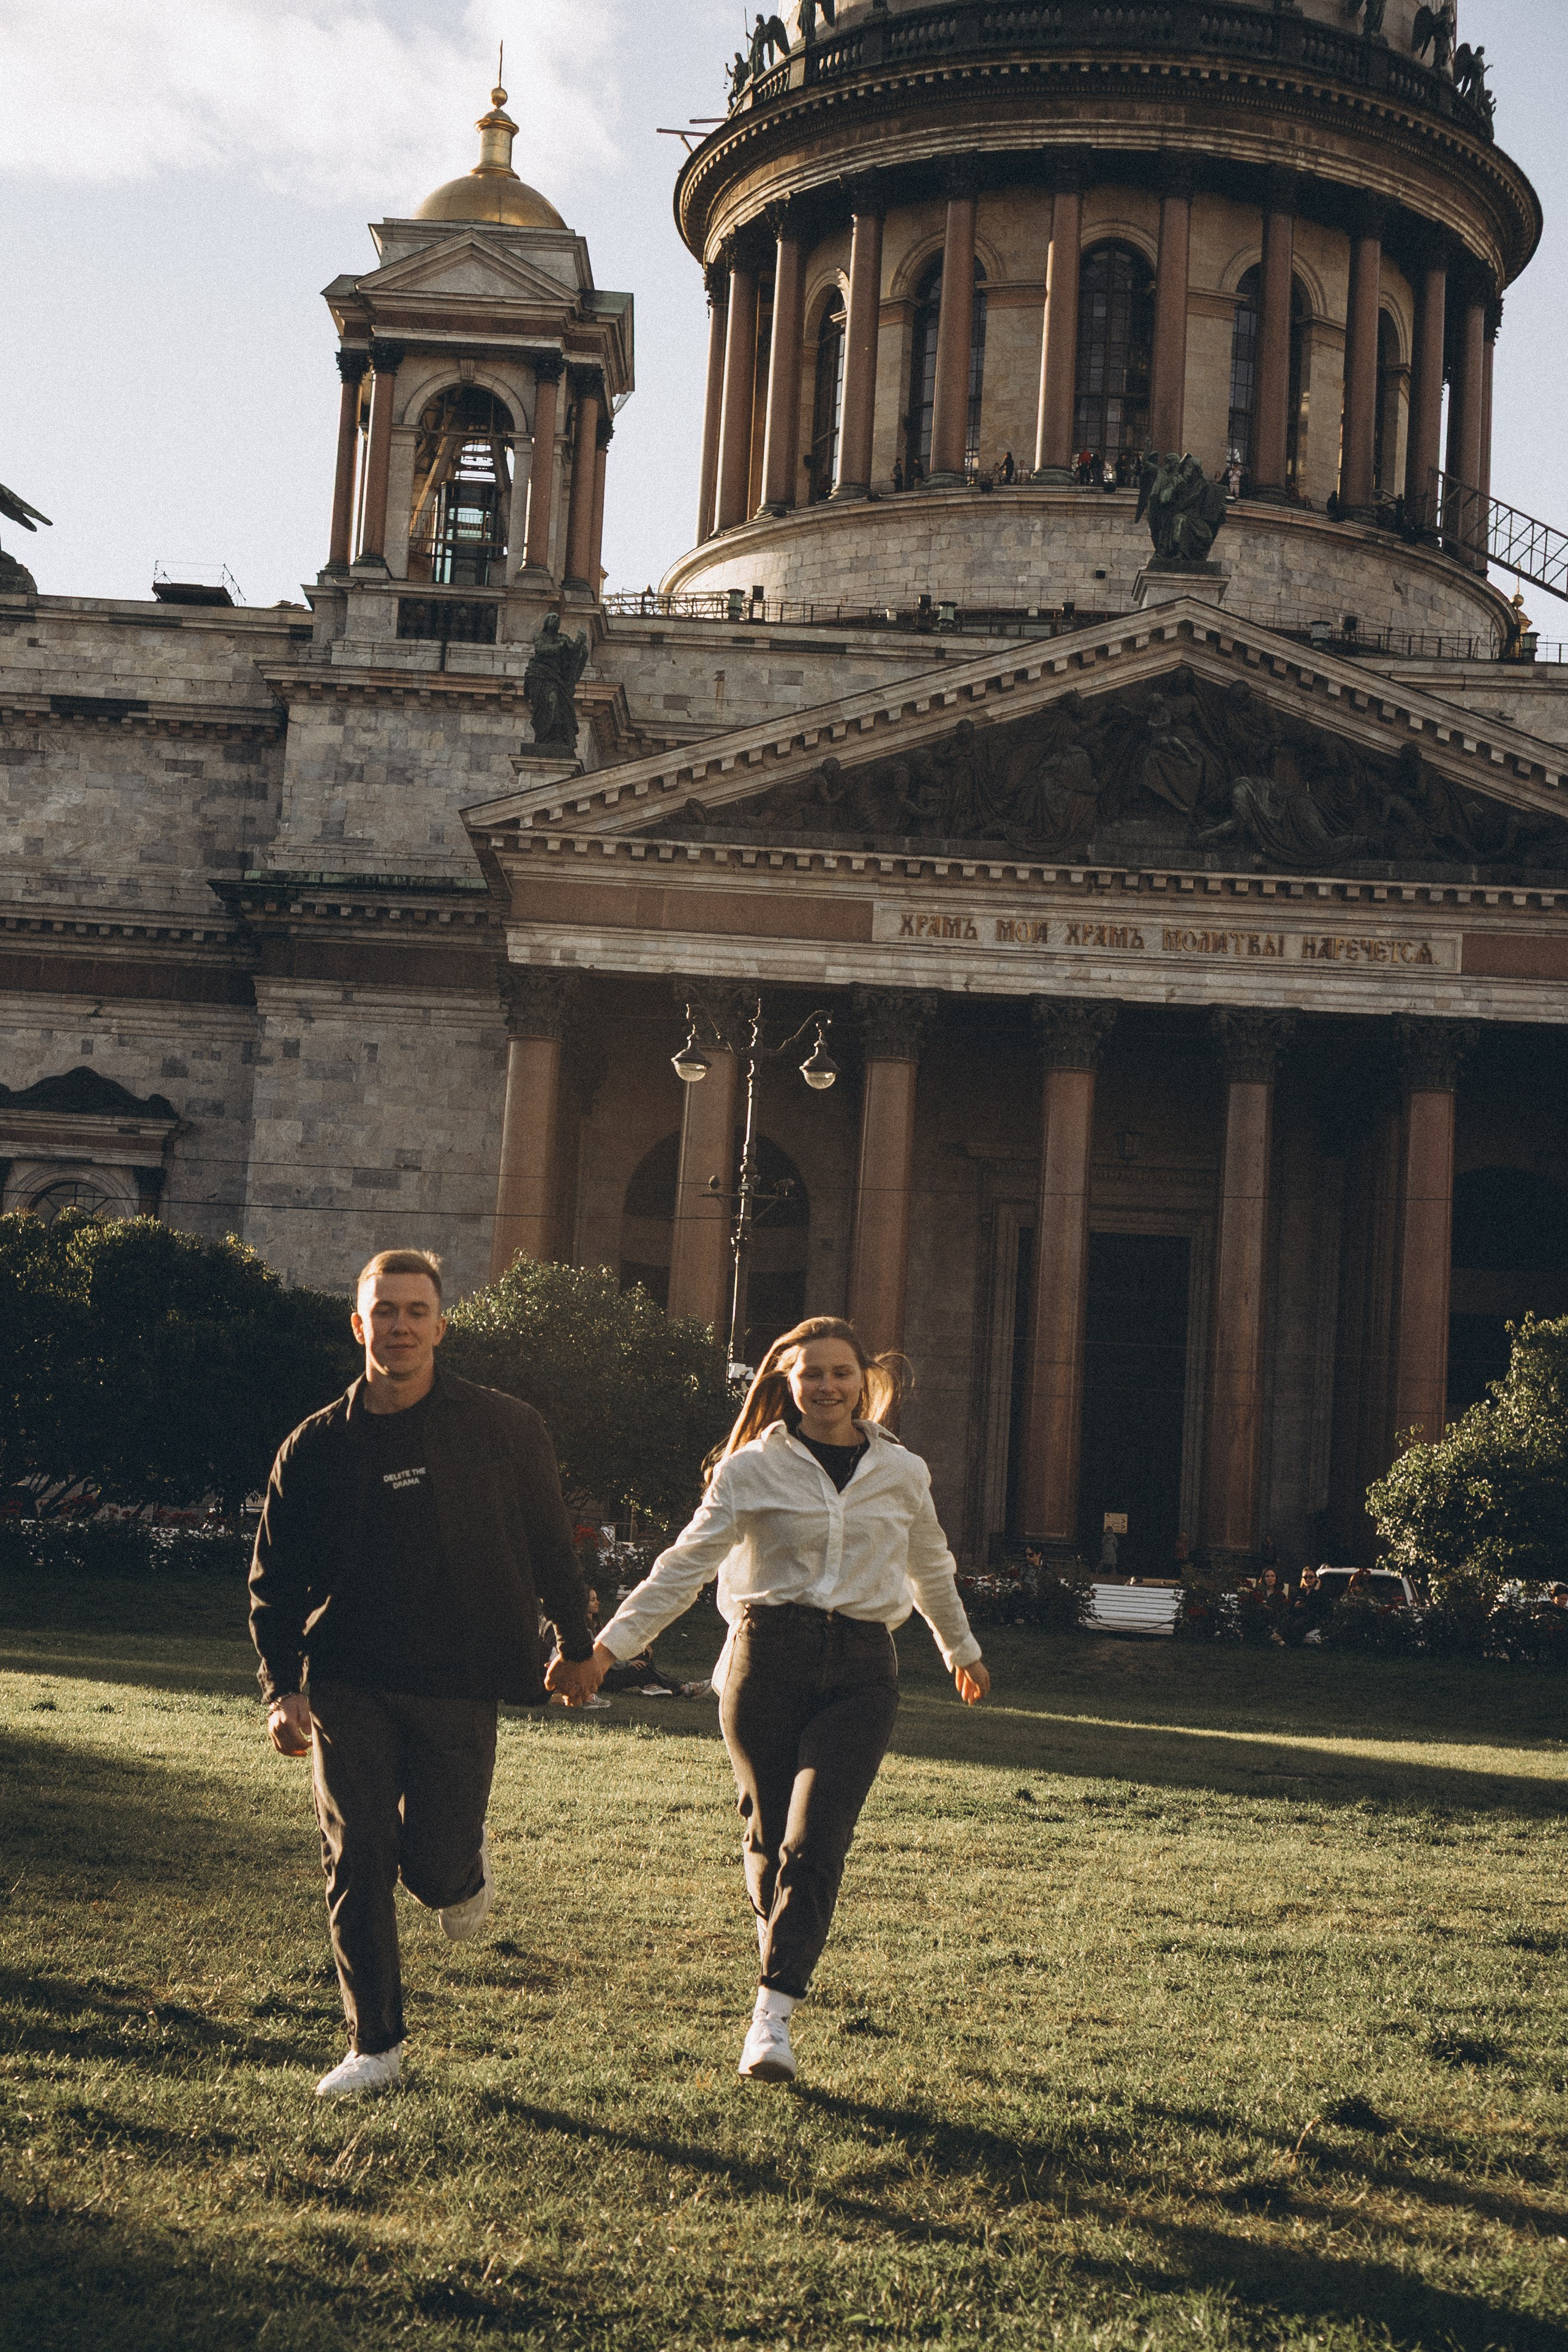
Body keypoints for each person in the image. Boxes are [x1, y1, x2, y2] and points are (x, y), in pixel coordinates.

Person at [547, 1317, 988, 2085]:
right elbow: (683, 1567)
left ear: (864, 1380)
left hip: (862, 1670)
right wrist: (604, 1651)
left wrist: (961, 1649)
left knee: (816, 1841)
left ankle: (771, 2018)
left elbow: (930, 1567)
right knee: (767, 1836)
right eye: (811, 1373)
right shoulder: (750, 1468)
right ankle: (776, 1941)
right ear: (787, 1381)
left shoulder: (902, 1471)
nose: (827, 1386)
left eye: (841, 1372)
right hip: (766, 1661)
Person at [249, 1248, 595, 2101]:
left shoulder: (504, 1426)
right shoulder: (314, 1446)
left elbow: (551, 1542)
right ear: (358, 1324)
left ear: (440, 1326)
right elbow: (274, 1579)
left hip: (462, 1675)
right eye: (384, 1311)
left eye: (415, 1311)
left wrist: (575, 1643)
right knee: (358, 1850)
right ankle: (375, 2046)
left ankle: (461, 1874)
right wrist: (283, 1687)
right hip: (349, 1679)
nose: (399, 1326)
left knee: (434, 1870)